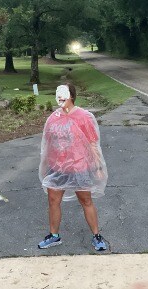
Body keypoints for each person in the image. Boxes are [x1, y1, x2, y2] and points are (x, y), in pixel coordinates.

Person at [38, 83, 108, 251]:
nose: (60, 97)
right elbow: (47, 144)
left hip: (79, 167)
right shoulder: (53, 118)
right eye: (58, 94)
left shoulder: (84, 117)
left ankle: (97, 236)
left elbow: (93, 143)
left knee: (86, 200)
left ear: (71, 96)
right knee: (53, 201)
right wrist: (45, 166)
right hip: (57, 168)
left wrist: (98, 168)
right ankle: (54, 236)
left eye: (63, 94)